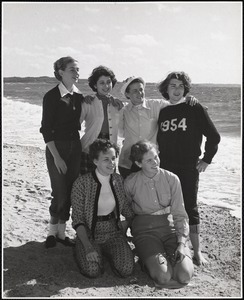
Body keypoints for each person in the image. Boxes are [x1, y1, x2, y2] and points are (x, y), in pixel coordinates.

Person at [156, 71, 221, 266]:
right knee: (164, 206)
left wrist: (206, 160)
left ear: (186, 89)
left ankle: (197, 252)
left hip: (187, 167)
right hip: (165, 167)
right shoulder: (163, 111)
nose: (177, 89)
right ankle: (171, 244)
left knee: (190, 208)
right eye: (173, 85)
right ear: (166, 89)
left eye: (180, 86)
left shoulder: (195, 108)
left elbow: (214, 136)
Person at [124, 140, 194, 288]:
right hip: (145, 232)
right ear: (138, 163)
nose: (155, 162)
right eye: (149, 160)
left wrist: (181, 244)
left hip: (170, 231)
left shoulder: (172, 179)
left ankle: (170, 256)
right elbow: (126, 211)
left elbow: (180, 214)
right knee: (163, 277)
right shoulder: (130, 183)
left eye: (156, 157)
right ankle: (146, 260)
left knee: (184, 275)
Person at [71, 139, 135, 278]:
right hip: (89, 233)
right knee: (92, 271)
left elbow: (126, 209)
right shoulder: (81, 183)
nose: (111, 163)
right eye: (106, 159)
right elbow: (77, 219)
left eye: (113, 158)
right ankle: (83, 249)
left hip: (113, 232)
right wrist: (88, 247)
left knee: (126, 269)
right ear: (95, 161)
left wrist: (127, 225)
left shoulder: (118, 180)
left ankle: (106, 253)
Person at [40, 56, 84, 248]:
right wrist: (57, 157)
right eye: (72, 69)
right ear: (60, 72)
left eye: (77, 69)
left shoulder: (79, 95)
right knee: (59, 191)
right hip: (56, 147)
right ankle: (51, 232)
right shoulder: (51, 96)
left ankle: (61, 233)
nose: (77, 73)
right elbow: (46, 129)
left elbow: (92, 114)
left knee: (70, 190)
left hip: (76, 147)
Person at [118, 76, 198, 179]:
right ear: (127, 94)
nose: (140, 93)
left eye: (141, 89)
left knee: (151, 194)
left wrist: (190, 101)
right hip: (127, 163)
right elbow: (119, 133)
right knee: (129, 194)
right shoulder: (123, 111)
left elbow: (176, 104)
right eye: (135, 91)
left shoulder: (156, 105)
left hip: (150, 163)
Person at [79, 65, 123, 175]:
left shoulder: (116, 104)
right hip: (89, 148)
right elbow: (75, 124)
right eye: (102, 83)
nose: (106, 85)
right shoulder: (88, 102)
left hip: (110, 148)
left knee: (107, 183)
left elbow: (125, 128)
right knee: (88, 181)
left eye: (109, 82)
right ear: (95, 85)